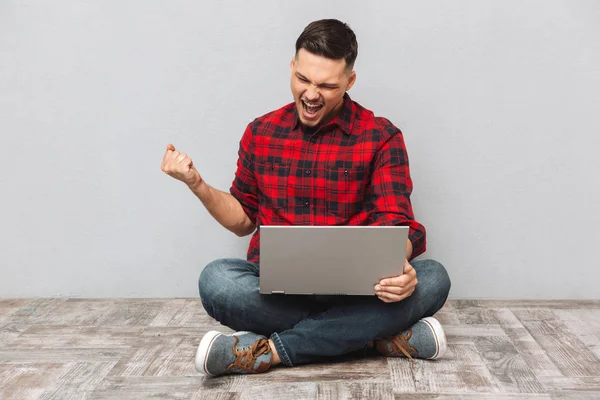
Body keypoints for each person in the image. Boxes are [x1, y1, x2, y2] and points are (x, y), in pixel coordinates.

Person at [161, 19, 451, 377]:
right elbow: (242, 219)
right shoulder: (261, 131)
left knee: (433, 278)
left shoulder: (381, 136)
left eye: (327, 85)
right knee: (216, 281)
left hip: (362, 293)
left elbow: (395, 222)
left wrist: (400, 268)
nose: (311, 94)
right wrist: (197, 183)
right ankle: (374, 338)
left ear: (349, 81)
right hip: (277, 292)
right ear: (292, 68)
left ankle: (270, 352)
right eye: (303, 80)